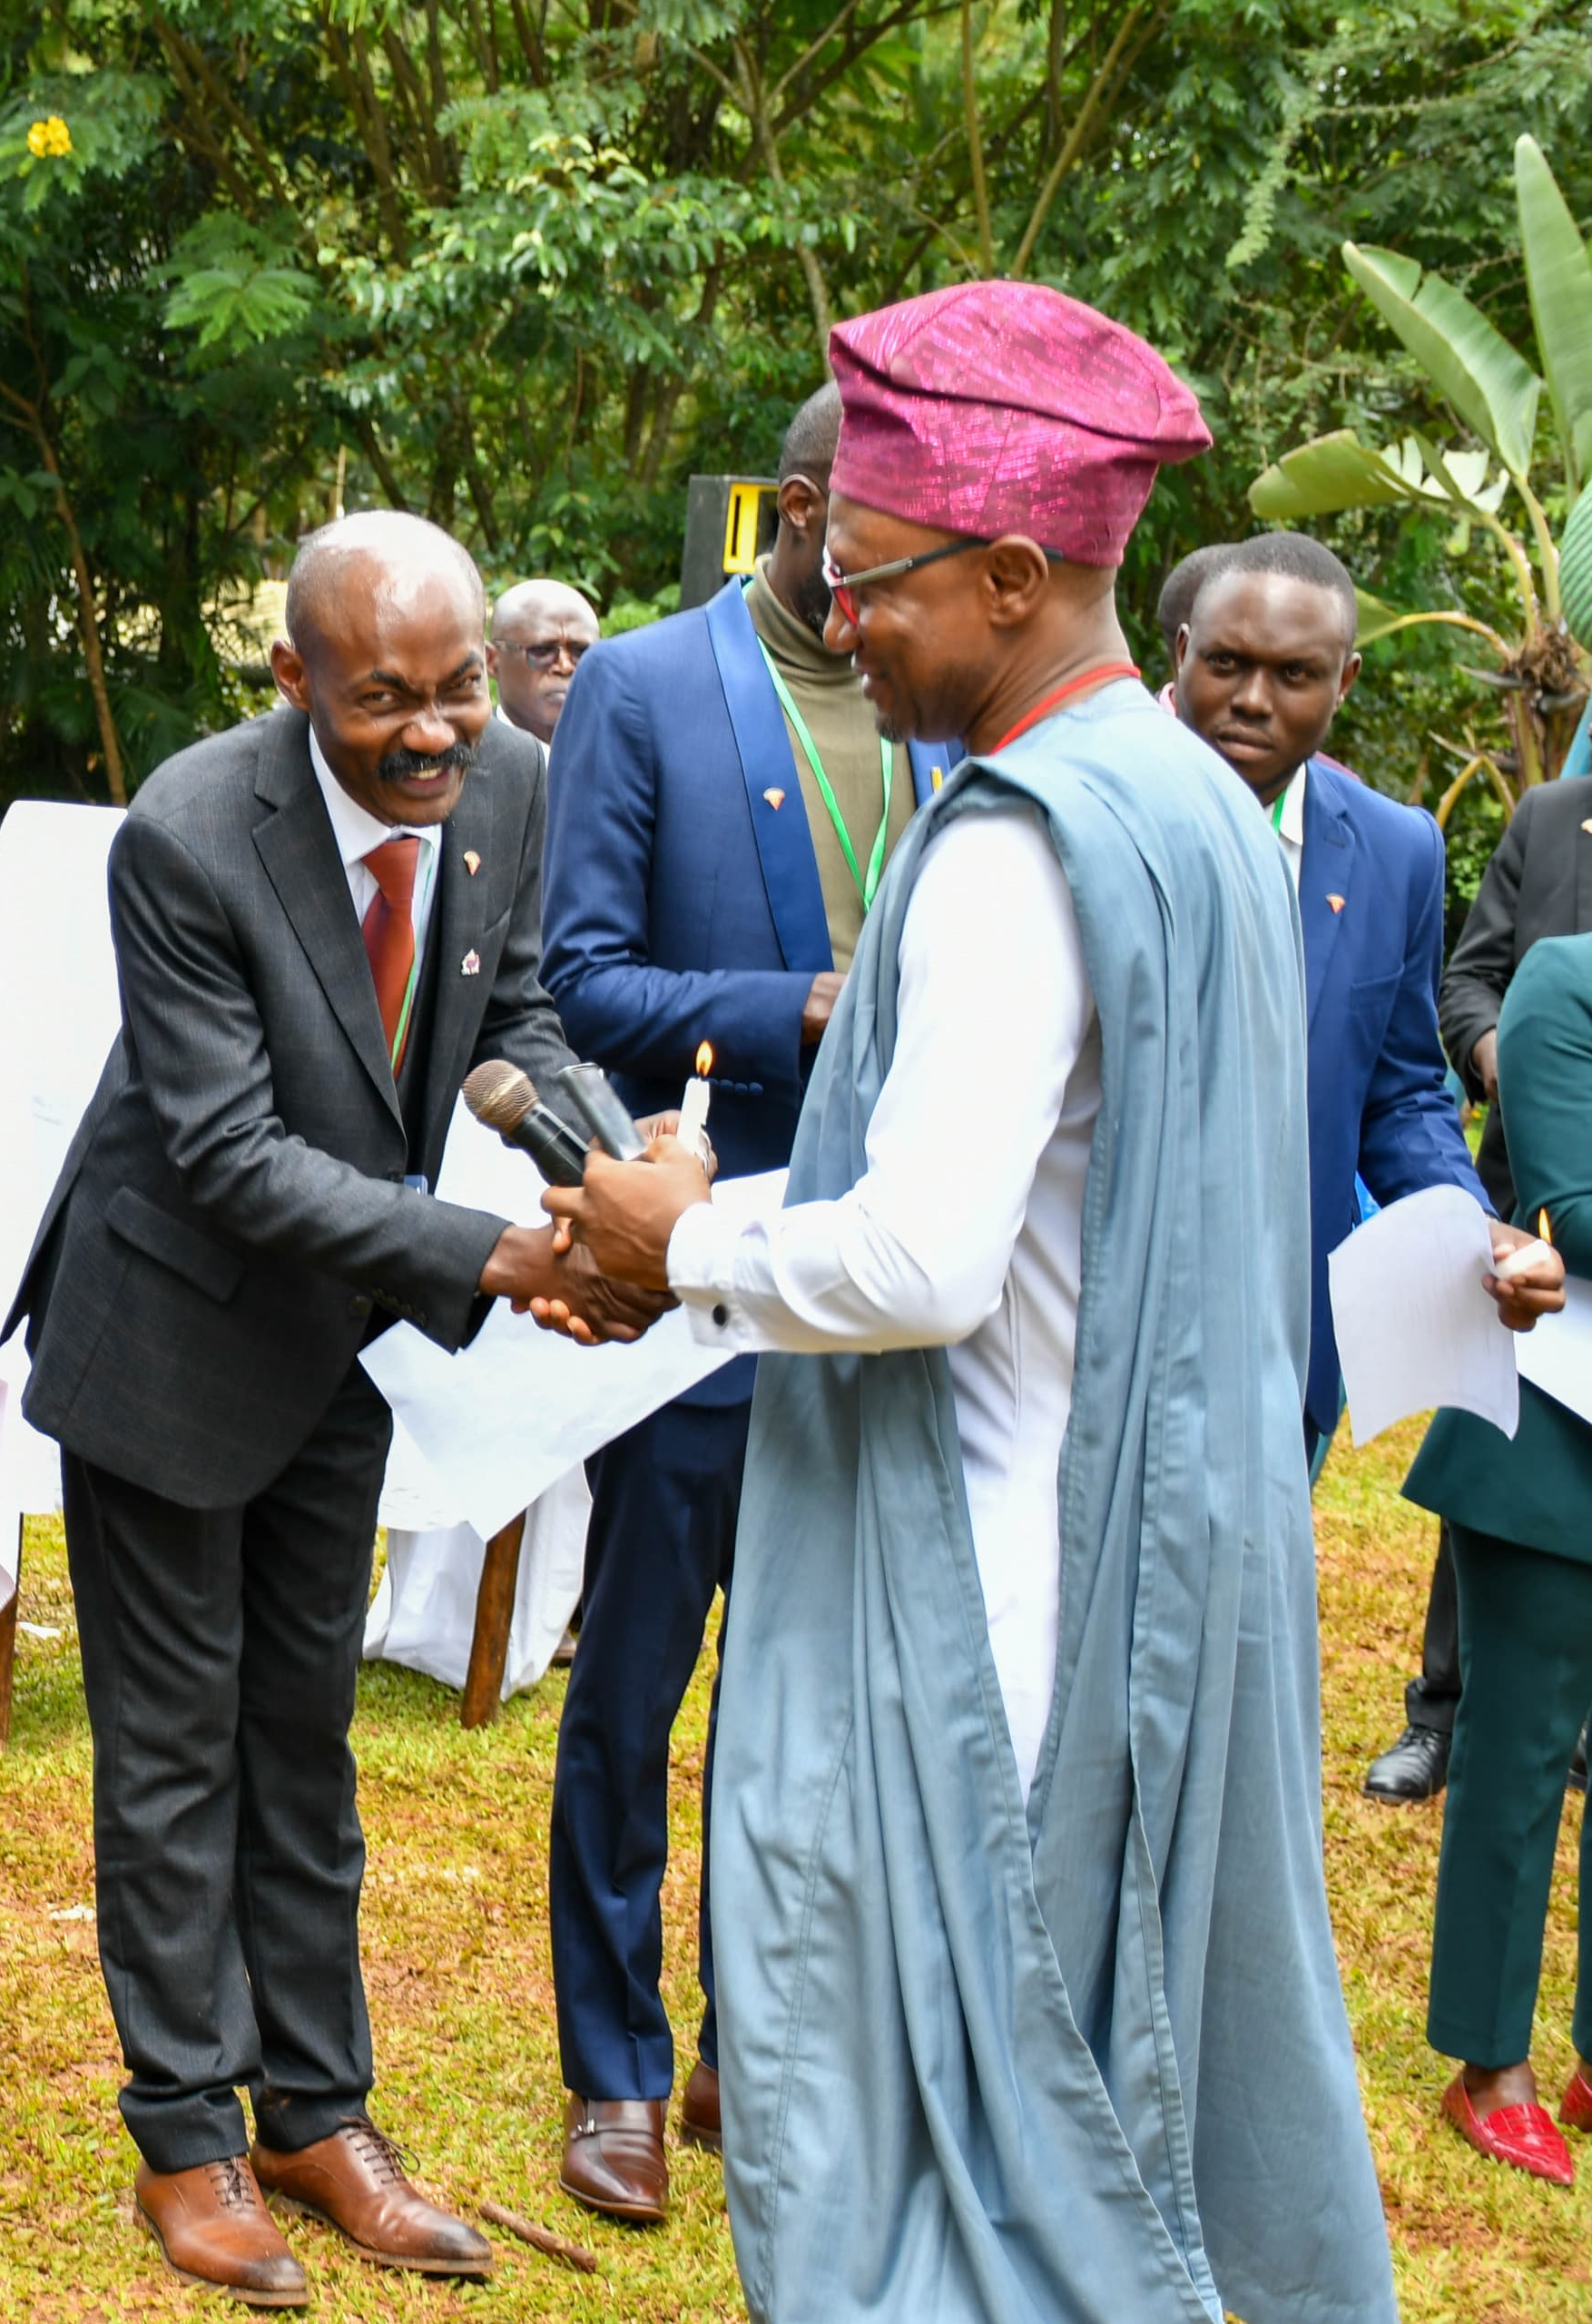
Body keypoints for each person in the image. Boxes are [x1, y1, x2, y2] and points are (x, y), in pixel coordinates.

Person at [539, 280, 1438, 2322]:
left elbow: (929, 1256)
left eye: (869, 581)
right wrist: (719, 1213)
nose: (840, 623)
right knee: (1124, 2068)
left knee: (960, 2122)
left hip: (998, 1583)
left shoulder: (1015, 845)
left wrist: (674, 1239)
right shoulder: (1191, 801)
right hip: (1167, 1542)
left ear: (1015, 569)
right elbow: (1036, 1193)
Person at [11, 511, 650, 2305]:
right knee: (171, 1752)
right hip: (167, 1324)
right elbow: (221, 1151)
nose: (439, 733)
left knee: (302, 1737)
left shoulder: (509, 784)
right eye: (389, 701)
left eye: (459, 689)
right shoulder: (195, 832)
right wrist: (503, 1259)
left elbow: (515, 1011)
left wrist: (614, 1184)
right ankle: (187, 2132)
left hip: (333, 1337)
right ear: (291, 678)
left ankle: (318, 2105)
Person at [534, 382, 959, 2226]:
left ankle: (753, 2035)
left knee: (833, 1689)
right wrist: (810, 1002)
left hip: (880, 1275)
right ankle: (613, 2067)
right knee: (638, 1684)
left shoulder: (959, 703)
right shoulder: (646, 685)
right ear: (794, 508)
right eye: (869, 536)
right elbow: (580, 977)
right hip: (706, 1262)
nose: (891, 579)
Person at [1169, 530, 1505, 1480]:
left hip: (1285, 1355)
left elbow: (1400, 1093)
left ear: (1345, 679)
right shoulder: (1078, 814)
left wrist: (1462, 1226)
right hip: (1085, 1332)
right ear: (1181, 651)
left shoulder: (1397, 852)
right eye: (1228, 663)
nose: (1253, 700)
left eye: (1295, 674)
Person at [1366, 691, 1592, 1804]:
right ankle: (1442, 1714)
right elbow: (1467, 980)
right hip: (1525, 1213)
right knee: (1493, 1460)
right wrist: (1511, 1061)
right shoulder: (1552, 821)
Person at [1400, 930, 1588, 2185]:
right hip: (1554, 1429)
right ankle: (1490, 2059)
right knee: (1518, 1748)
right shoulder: (1563, 984)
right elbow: (1572, 1209)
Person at [486, 576, 598, 746]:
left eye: (581, 652)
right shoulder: (460, 762)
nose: (565, 666)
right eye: (542, 651)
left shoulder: (625, 756)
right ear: (492, 661)